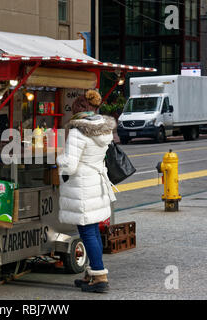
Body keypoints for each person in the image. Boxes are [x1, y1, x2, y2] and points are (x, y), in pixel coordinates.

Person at [56, 90, 116, 293]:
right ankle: (91, 275)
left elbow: (70, 165)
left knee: (88, 231)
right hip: (96, 184)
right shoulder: (102, 129)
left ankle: (99, 277)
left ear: (79, 110)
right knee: (92, 230)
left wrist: (59, 160)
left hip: (82, 187)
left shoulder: (77, 131)